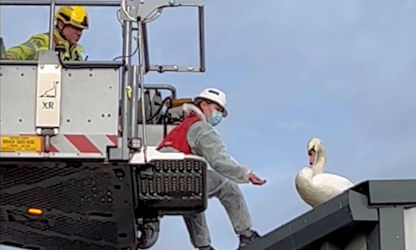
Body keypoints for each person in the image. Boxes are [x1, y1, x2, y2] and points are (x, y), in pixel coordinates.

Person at [157, 88, 267, 249]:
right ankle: (246, 235)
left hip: (160, 182)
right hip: (178, 177)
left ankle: (203, 247)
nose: (219, 116)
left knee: (194, 200)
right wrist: (245, 174)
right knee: (228, 186)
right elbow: (218, 160)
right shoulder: (200, 127)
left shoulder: (183, 127)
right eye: (217, 110)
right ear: (203, 104)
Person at [5, 6, 88, 61]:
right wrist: (9, 58)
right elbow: (22, 51)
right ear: (61, 24)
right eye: (76, 28)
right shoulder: (44, 41)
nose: (79, 33)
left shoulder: (76, 55)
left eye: (81, 30)